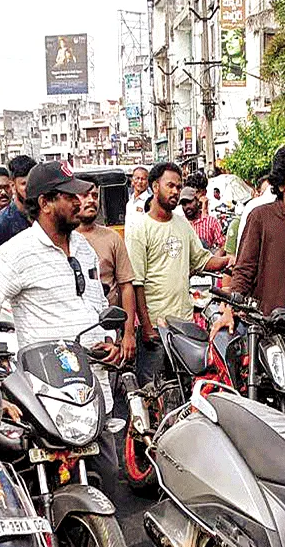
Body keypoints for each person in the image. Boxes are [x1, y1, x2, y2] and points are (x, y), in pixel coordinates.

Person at [0, 163, 123, 487]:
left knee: (107, 476)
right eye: (70, 196)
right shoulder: (17, 253)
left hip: (93, 386)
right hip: (47, 394)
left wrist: (110, 340)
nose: (80, 202)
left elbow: (95, 304)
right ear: (46, 203)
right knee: (52, 488)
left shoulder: (83, 248)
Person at [216, 144, 285, 429]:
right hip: (264, 332)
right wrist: (229, 309)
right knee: (261, 410)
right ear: (280, 184)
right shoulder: (261, 218)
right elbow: (245, 270)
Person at [126, 162, 233, 385]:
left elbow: (202, 259)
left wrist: (227, 261)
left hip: (184, 327)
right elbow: (136, 283)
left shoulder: (182, 225)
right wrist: (146, 327)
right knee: (154, 394)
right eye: (170, 186)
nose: (175, 191)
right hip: (156, 328)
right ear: (155, 187)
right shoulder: (140, 227)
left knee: (185, 390)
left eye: (178, 186)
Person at [76, 182, 138, 361]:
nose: (90, 201)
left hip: (108, 333)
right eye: (84, 196)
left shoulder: (112, 238)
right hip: (76, 331)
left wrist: (128, 334)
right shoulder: (63, 239)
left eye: (94, 196)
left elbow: (126, 286)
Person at [0, 155, 38, 269]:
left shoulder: (45, 217)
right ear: (13, 186)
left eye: (33, 182)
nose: (30, 188)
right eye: (24, 184)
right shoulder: (1, 225)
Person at [181, 186, 226, 253]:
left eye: (190, 202)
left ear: (197, 201)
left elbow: (223, 245)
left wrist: (214, 259)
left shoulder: (211, 222)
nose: (187, 206)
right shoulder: (180, 224)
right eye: (184, 204)